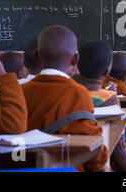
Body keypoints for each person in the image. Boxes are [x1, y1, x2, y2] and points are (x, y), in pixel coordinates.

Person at [22, 25, 108, 172]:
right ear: (75, 59)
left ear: (36, 57)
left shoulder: (19, 91)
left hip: (21, 167)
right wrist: (100, 166)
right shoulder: (78, 93)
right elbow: (91, 144)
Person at [73, 41, 126, 172]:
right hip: (96, 163)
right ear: (107, 71)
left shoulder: (67, 90)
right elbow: (119, 147)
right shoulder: (109, 98)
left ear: (76, 62)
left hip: (64, 159)